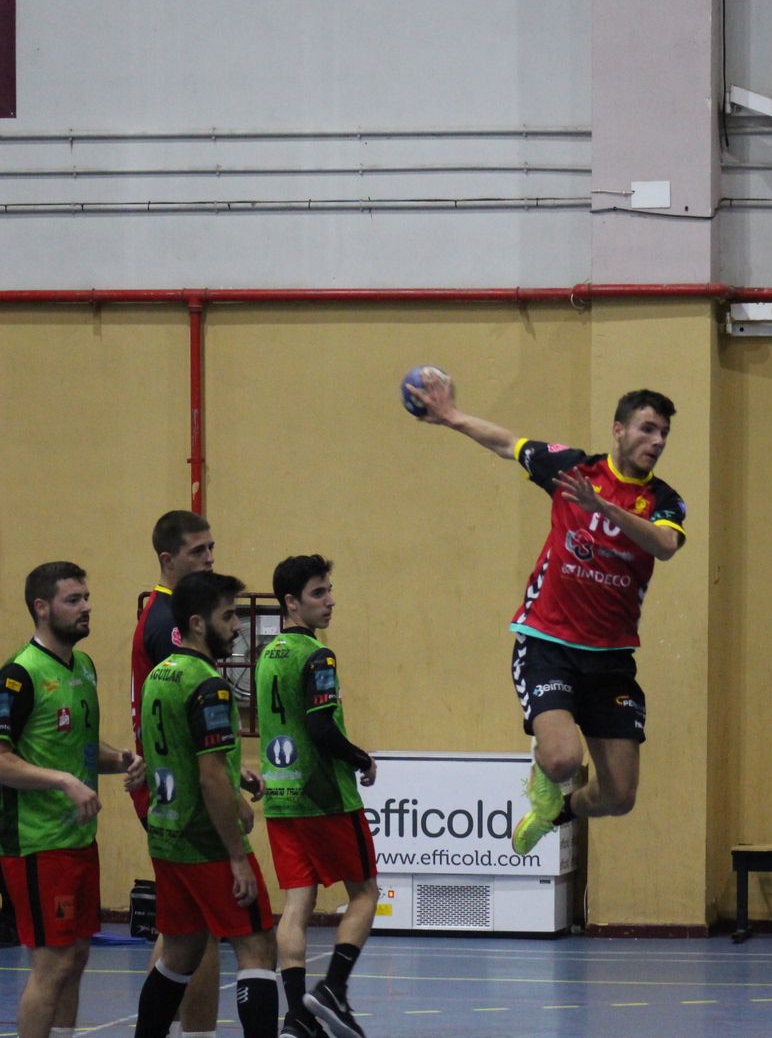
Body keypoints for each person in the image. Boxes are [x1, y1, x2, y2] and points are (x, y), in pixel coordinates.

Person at [406, 373, 686, 854]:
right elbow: (507, 444)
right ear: (618, 430)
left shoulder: (663, 499)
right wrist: (452, 417)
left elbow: (664, 545)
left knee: (619, 797)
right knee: (562, 760)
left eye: (663, 433)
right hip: (548, 642)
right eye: (647, 429)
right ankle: (546, 779)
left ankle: (560, 811)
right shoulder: (575, 468)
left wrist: (604, 509)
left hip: (612, 658)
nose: (656, 441)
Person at [0, 561, 143, 1038]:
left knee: (78, 956)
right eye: (73, 600)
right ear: (41, 608)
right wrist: (62, 781)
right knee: (52, 964)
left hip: (81, 838)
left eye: (86, 598)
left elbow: (83, 749)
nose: (86, 608)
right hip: (37, 843)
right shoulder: (19, 676)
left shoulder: (83, 667)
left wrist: (122, 759)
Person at [133, 571, 277, 1038]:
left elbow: (180, 748)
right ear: (198, 623)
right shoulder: (208, 685)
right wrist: (237, 856)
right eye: (228, 615)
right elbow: (208, 772)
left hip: (167, 838)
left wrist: (235, 771)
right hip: (207, 843)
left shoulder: (159, 675)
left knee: (180, 952)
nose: (237, 625)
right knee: (256, 946)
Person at [255, 555, 379, 1038]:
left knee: (296, 906)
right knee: (366, 892)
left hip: (281, 800)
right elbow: (321, 728)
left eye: (329, 590)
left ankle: (296, 1018)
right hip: (324, 798)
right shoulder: (317, 656)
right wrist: (360, 758)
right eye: (318, 594)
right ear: (291, 602)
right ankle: (333, 988)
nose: (330, 601)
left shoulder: (266, 655)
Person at [131, 509, 223, 1038]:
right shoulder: (170, 626)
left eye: (212, 548)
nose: (210, 559)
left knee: (183, 930)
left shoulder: (170, 614)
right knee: (199, 929)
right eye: (198, 552)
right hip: (174, 793)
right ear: (168, 560)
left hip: (168, 788)